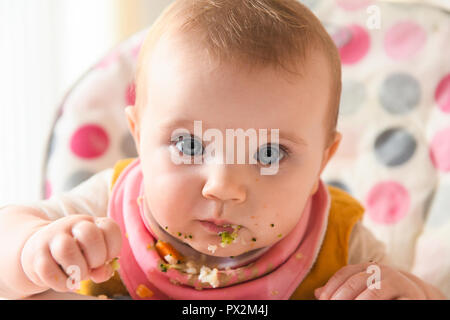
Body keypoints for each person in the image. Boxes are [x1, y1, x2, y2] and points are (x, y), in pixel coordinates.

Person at [0, 0, 445, 300]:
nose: (224, 186)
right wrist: (30, 249)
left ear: (321, 165)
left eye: (270, 154)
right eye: (189, 144)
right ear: (138, 135)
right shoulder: (107, 210)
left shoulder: (340, 244)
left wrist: (409, 292)